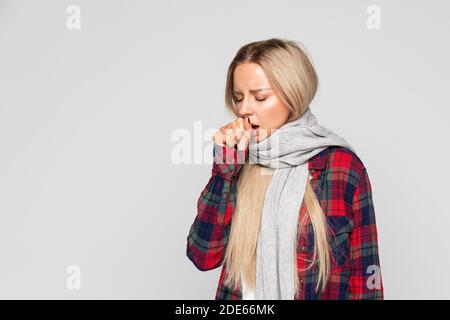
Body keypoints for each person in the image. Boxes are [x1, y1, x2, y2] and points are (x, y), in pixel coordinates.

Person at [186, 38, 384, 300]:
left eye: (260, 97)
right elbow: (203, 255)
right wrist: (225, 167)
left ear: (293, 94)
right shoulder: (237, 162)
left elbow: (366, 278)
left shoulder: (342, 168)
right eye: (238, 98)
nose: (244, 109)